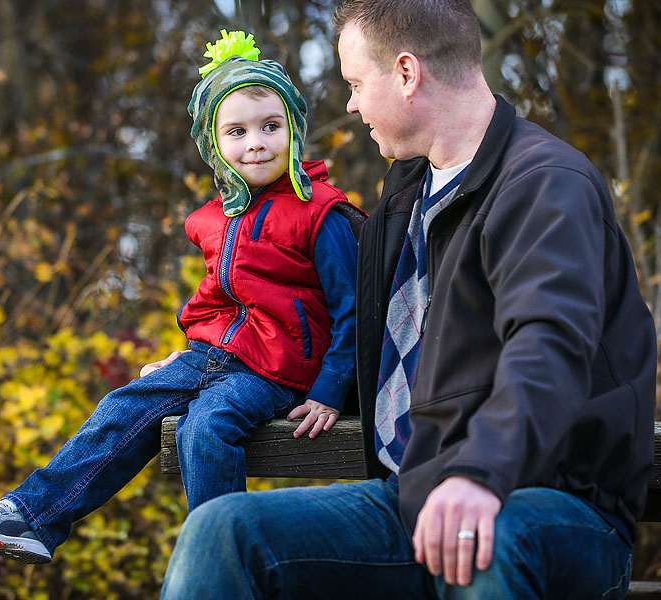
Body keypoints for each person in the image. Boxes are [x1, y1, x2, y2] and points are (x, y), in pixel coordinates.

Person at [160, 2, 657, 598]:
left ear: (405, 73)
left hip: (550, 508)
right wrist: (204, 361)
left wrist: (480, 473)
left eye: (354, 83)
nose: (349, 105)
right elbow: (326, 321)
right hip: (413, 503)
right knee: (224, 532)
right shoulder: (404, 196)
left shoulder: (543, 184)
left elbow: (548, 344)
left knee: (484, 545)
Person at [0, 30, 362, 565]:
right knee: (124, 403)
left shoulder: (318, 211)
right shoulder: (221, 218)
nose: (255, 142)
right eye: (236, 131)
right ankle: (32, 518)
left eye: (270, 127)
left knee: (206, 425)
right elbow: (216, 304)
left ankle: (219, 562)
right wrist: (188, 353)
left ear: (294, 131)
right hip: (219, 358)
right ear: (215, 145)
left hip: (281, 372)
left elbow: (353, 310)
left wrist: (329, 389)